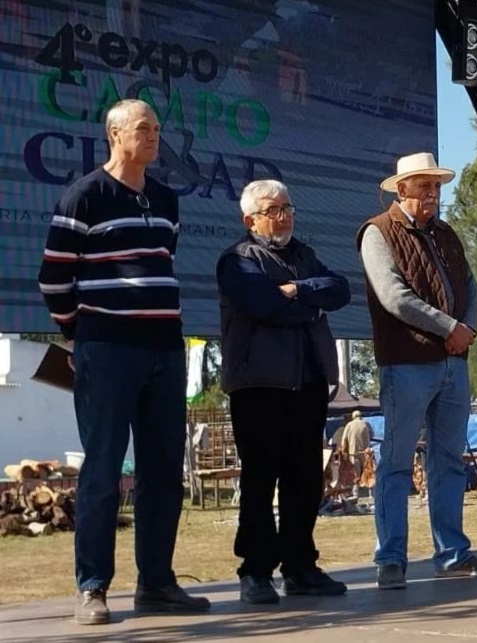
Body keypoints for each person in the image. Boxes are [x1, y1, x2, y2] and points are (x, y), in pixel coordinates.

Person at [37, 99, 210, 624]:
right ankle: (92, 587)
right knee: (103, 468)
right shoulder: (85, 195)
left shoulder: (166, 199)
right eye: (142, 128)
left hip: (165, 348)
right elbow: (54, 278)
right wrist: (84, 333)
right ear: (115, 134)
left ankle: (156, 583)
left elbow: (161, 263)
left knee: (163, 471)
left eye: (157, 128)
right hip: (107, 349)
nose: (154, 136)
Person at [357, 152, 477, 590]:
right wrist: (449, 328)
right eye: (424, 185)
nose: (433, 193)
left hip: (454, 363)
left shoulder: (446, 234)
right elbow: (394, 297)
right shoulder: (377, 231)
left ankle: (452, 554)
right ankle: (390, 559)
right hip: (406, 363)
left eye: (437, 186)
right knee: (396, 463)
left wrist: (467, 330)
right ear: (401, 189)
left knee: (449, 462)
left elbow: (471, 287)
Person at [216, 179, 351, 604]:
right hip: (259, 386)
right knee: (260, 480)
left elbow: (340, 289)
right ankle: (255, 571)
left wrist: (299, 289)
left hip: (307, 383)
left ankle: (300, 567)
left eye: (287, 208)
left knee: (305, 479)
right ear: (249, 220)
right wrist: (310, 307)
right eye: (273, 210)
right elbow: (264, 305)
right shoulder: (238, 259)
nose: (284, 216)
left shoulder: (304, 256)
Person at [340, 410, 374, 497]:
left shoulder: (349, 425)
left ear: (353, 416)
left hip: (353, 453)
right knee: (368, 473)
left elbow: (343, 441)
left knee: (356, 475)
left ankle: (356, 494)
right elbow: (372, 435)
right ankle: (371, 494)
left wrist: (344, 453)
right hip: (366, 453)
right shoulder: (366, 424)